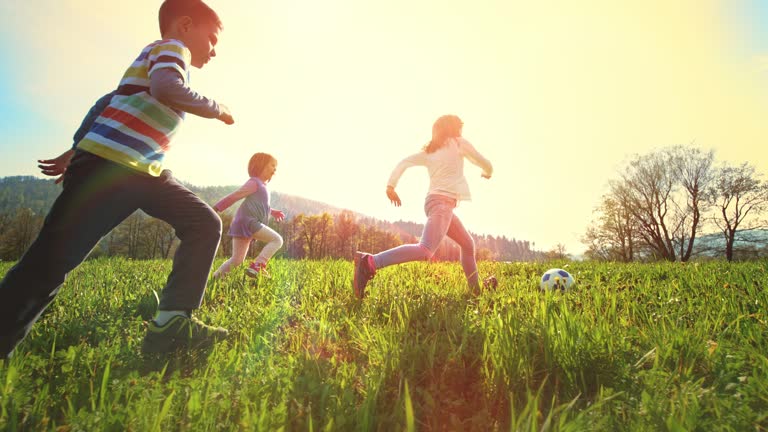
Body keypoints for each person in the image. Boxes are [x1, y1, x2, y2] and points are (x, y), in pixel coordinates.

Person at [0, 0, 235, 358]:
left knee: (204, 222)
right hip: (110, 170)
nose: (215, 51)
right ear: (186, 25)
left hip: (141, 170)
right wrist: (217, 109)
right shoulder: (173, 50)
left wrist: (75, 147)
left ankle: (171, 321)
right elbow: (166, 89)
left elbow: (107, 101)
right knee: (50, 263)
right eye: (213, 39)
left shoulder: (150, 58)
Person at [353, 114, 493, 298]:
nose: (461, 132)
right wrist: (487, 172)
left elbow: (404, 162)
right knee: (425, 250)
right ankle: (369, 262)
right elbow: (483, 161)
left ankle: (476, 292)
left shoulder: (430, 152)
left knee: (467, 244)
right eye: (460, 128)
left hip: (437, 203)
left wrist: (391, 186)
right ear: (454, 128)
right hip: (442, 204)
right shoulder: (458, 143)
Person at [212, 153, 285, 278]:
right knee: (277, 240)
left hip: (242, 224)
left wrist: (272, 212)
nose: (275, 169)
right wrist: (216, 208)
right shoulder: (254, 182)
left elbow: (261, 205)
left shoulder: (263, 186)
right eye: (272, 165)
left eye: (276, 167)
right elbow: (235, 196)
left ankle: (215, 278)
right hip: (248, 222)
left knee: (237, 259)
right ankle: (258, 265)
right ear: (261, 165)